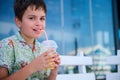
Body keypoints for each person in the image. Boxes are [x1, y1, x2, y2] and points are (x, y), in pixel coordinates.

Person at [0, 0, 60, 80]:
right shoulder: (7, 45)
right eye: (32, 18)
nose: (38, 23)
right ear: (18, 22)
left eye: (42, 18)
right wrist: (32, 67)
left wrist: (54, 72)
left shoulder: (42, 49)